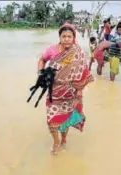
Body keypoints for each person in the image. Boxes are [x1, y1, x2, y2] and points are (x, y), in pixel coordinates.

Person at [37, 22, 94, 155]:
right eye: (64, 36)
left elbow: (83, 72)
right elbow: (41, 60)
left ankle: (63, 140)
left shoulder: (78, 52)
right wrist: (41, 74)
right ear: (60, 37)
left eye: (69, 36)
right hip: (54, 92)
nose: (67, 39)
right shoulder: (52, 50)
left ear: (74, 37)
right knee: (51, 122)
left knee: (65, 119)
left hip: (70, 93)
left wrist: (79, 91)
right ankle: (56, 142)